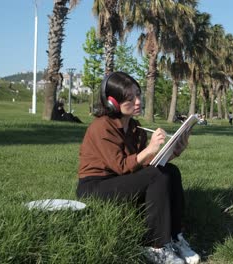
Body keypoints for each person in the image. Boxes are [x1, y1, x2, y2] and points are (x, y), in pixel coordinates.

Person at [76, 72, 200, 264]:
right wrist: (150, 149)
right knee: (156, 176)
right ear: (112, 102)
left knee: (171, 171)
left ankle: (175, 236)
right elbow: (122, 166)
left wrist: (175, 150)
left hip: (119, 181)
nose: (137, 102)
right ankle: (154, 246)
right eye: (130, 98)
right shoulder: (101, 127)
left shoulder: (135, 128)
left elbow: (148, 164)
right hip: (95, 186)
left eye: (138, 95)